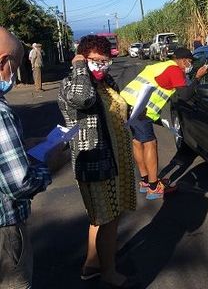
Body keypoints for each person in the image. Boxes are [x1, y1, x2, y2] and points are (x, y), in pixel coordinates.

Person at [58, 35, 136, 287]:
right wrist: (80, 66)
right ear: (82, 58)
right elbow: (84, 100)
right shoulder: (73, 82)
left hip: (116, 159)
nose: (101, 67)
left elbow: (116, 106)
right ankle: (109, 272)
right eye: (95, 61)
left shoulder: (106, 81)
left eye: (105, 62)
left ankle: (92, 264)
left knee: (103, 217)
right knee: (108, 219)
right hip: (96, 161)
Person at [0, 28, 54, 289]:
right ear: (3, 63)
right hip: (5, 230)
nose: (16, 71)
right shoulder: (1, 113)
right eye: (16, 63)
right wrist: (48, 165)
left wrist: (21, 144)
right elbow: (19, 183)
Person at [120, 48, 208, 200]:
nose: (190, 65)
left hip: (127, 103)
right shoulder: (174, 70)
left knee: (137, 142)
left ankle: (145, 181)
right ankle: (154, 187)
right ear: (183, 60)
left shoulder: (162, 65)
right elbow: (185, 95)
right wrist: (198, 77)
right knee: (150, 143)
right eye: (190, 62)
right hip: (141, 109)